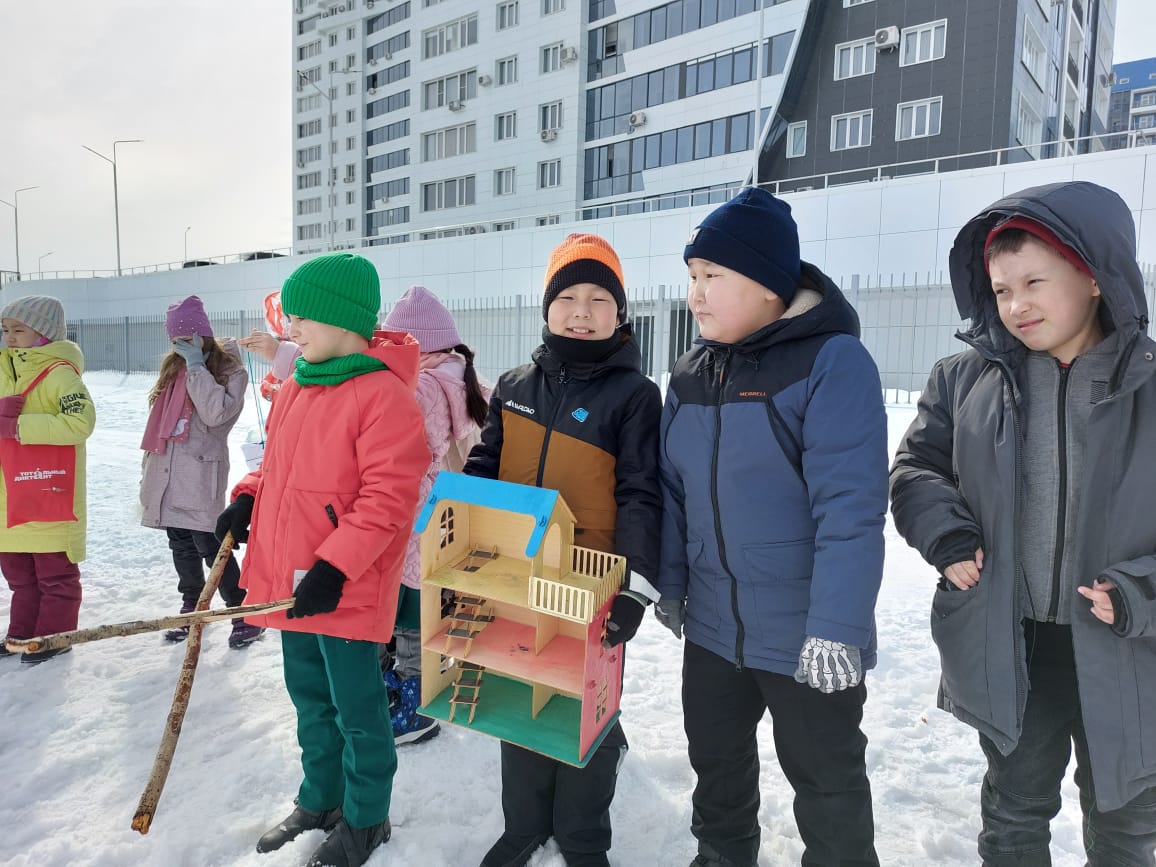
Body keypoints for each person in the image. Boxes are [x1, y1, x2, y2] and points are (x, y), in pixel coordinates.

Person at [890, 180, 1156, 865]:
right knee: (1013, 814)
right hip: (1015, 641)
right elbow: (916, 467)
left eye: (1034, 281)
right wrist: (946, 534)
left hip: (1129, 649)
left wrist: (1140, 593)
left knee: (1127, 823)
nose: (1016, 304)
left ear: (1095, 277)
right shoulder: (966, 379)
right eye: (1002, 288)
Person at [655, 187, 888, 867]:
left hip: (804, 630)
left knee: (826, 781)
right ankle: (722, 855)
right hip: (714, 628)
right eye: (692, 277)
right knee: (716, 764)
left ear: (767, 286)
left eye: (713, 277)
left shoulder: (831, 361)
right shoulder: (690, 373)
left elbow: (850, 505)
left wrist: (838, 627)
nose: (696, 295)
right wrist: (671, 582)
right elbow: (673, 490)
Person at [215, 252, 429, 867]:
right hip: (293, 583)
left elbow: (389, 498)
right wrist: (248, 500)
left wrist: (336, 566)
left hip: (345, 585)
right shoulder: (301, 383)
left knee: (359, 711)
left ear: (343, 321)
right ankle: (321, 798)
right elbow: (275, 466)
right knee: (309, 696)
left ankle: (367, 819)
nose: (291, 330)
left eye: (303, 317)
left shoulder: (383, 395)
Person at [463, 233, 662, 867]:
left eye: (598, 297)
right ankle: (523, 824)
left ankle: (581, 837)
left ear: (619, 312)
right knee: (518, 695)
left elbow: (641, 494)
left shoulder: (634, 396)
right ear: (547, 308)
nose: (581, 310)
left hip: (591, 582)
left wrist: (634, 584)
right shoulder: (516, 385)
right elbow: (485, 465)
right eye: (568, 296)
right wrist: (457, 530)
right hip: (515, 575)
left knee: (589, 715)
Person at [379, 284, 489, 746]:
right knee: (421, 610)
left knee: (406, 617)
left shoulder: (422, 385)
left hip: (417, 520)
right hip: (448, 518)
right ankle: (411, 688)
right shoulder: (459, 376)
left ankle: (414, 705)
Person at [139, 295, 261, 649]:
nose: (180, 346)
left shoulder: (230, 371)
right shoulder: (173, 369)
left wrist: (196, 367)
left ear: (202, 335)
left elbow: (217, 416)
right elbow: (159, 424)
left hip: (200, 473)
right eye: (175, 340)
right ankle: (191, 607)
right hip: (165, 471)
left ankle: (242, 612)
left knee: (211, 545)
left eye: (187, 339)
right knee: (180, 546)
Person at [0, 296, 95, 664]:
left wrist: (18, 426)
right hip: (10, 494)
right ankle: (22, 634)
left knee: (55, 573)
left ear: (43, 333)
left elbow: (80, 423)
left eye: (18, 329)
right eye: (6, 330)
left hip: (47, 488)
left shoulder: (60, 373)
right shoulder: (4, 369)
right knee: (19, 575)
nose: (10, 337)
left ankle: (54, 636)